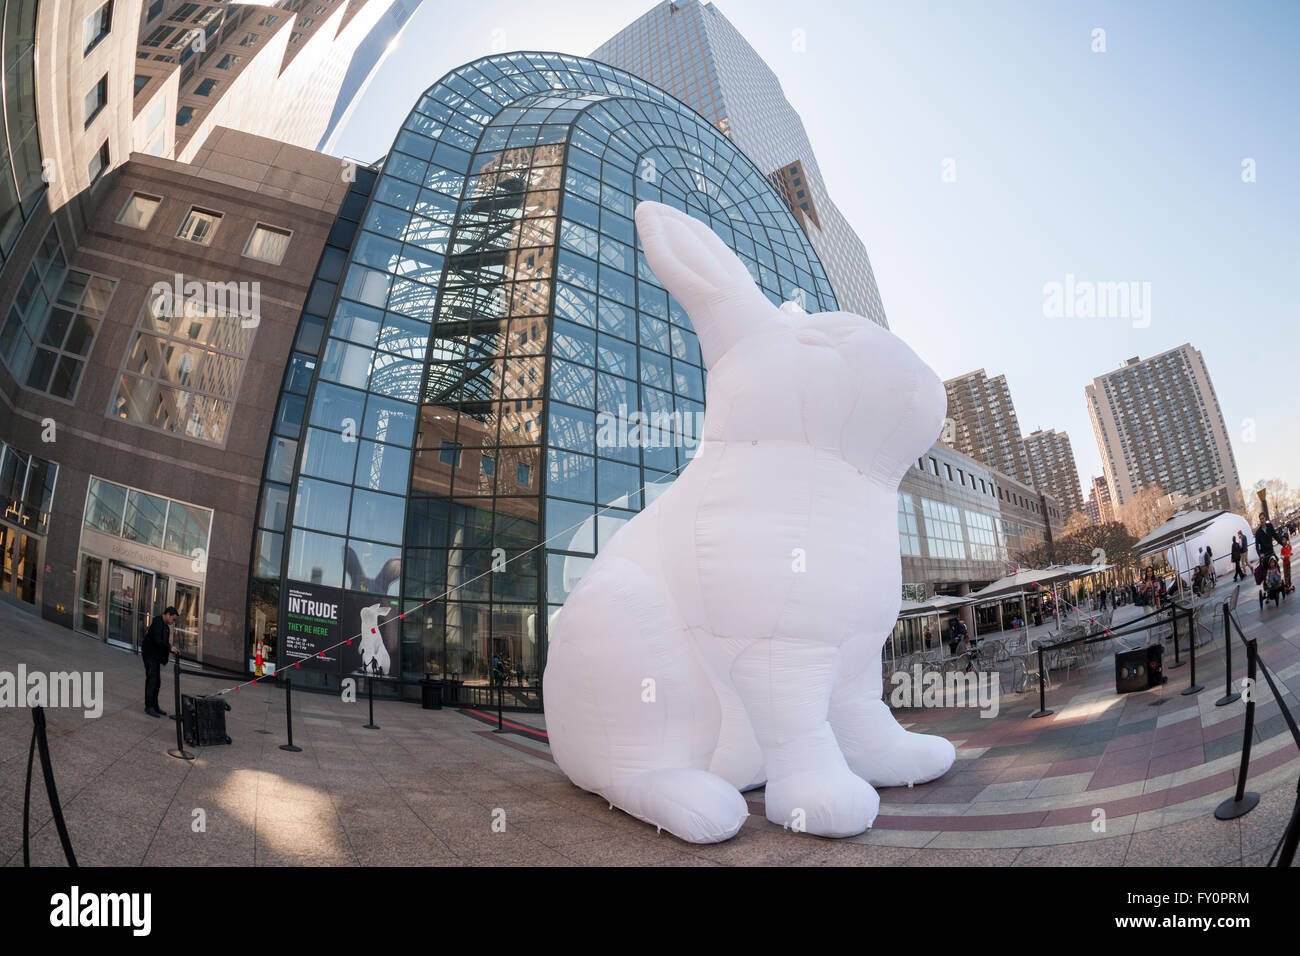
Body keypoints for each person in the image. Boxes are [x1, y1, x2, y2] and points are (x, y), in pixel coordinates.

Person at [142, 606, 178, 718]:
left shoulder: (166, 627)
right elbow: (158, 640)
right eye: (173, 619)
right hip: (150, 656)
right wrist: (170, 648)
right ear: (168, 614)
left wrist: (171, 650)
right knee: (152, 681)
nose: (173, 621)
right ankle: (149, 707)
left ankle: (155, 706)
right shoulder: (157, 622)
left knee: (157, 683)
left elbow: (164, 643)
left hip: (156, 658)